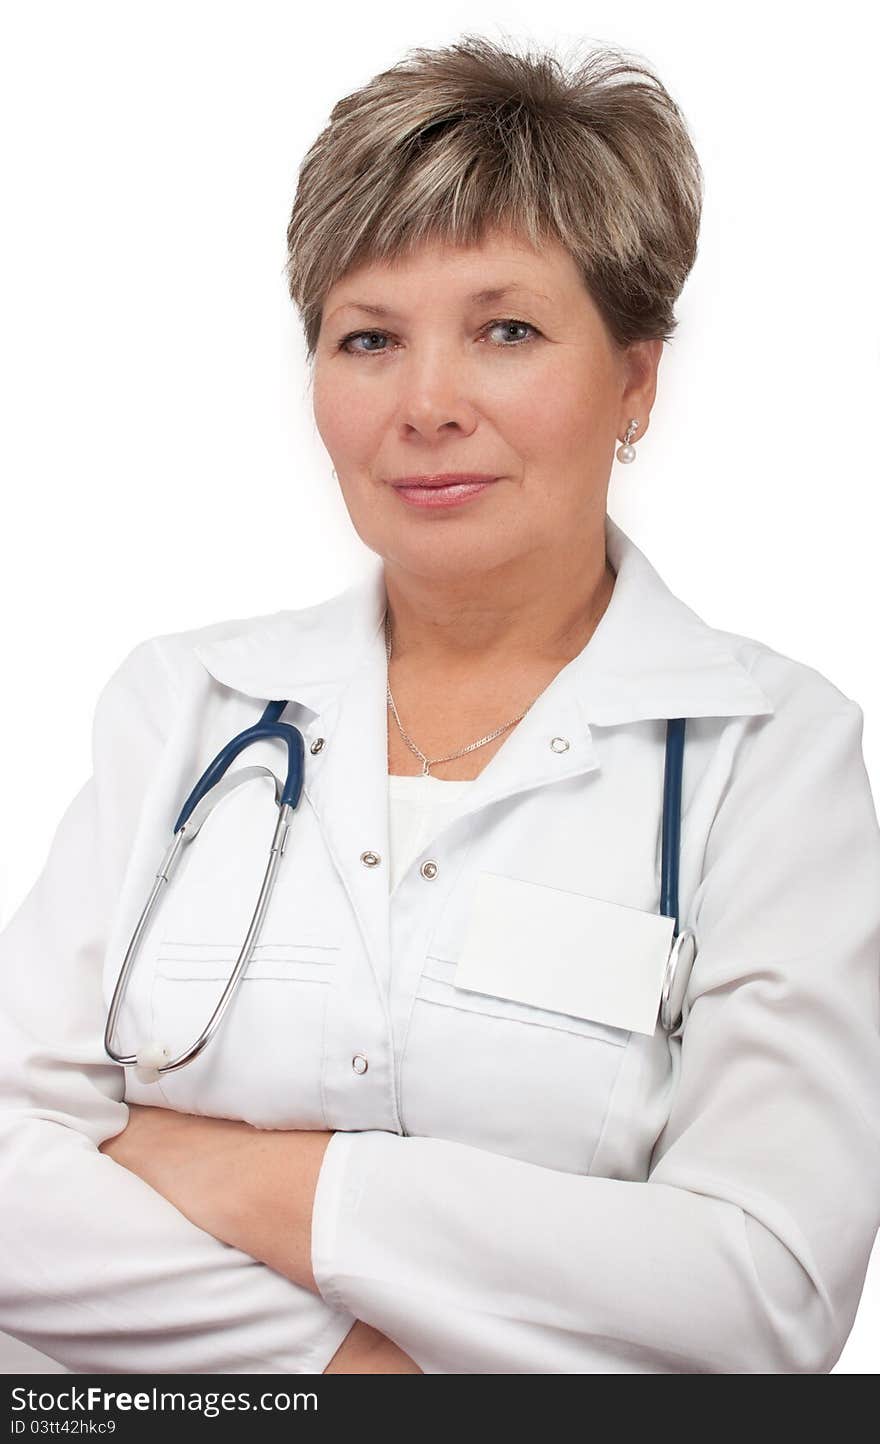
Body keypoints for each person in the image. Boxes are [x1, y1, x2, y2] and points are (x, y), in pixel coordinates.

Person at [1, 33, 879, 1377]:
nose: (425, 405)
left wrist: (257, 1181)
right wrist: (347, 1369)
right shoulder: (184, 709)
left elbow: (764, 1297)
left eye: (507, 330)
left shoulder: (770, 757)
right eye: (368, 338)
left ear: (636, 379)